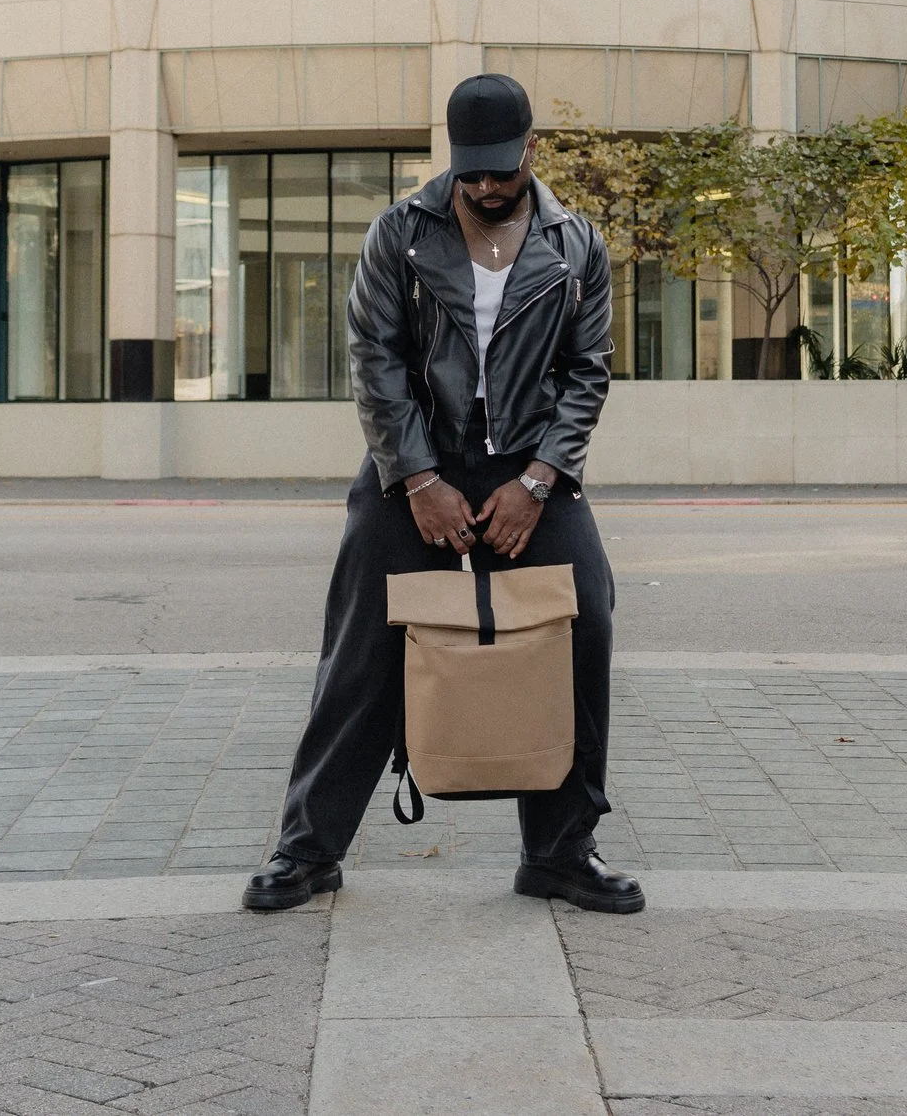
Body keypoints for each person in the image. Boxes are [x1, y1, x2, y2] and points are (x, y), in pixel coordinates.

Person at [243, 72, 642, 914]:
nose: (488, 187)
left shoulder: (577, 245)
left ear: (531, 151)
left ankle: (563, 851)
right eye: (473, 173)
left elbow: (588, 372)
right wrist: (419, 479)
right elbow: (375, 360)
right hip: (414, 463)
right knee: (359, 651)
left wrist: (538, 481)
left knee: (585, 625)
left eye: (502, 169)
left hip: (531, 467)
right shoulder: (399, 234)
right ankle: (307, 848)